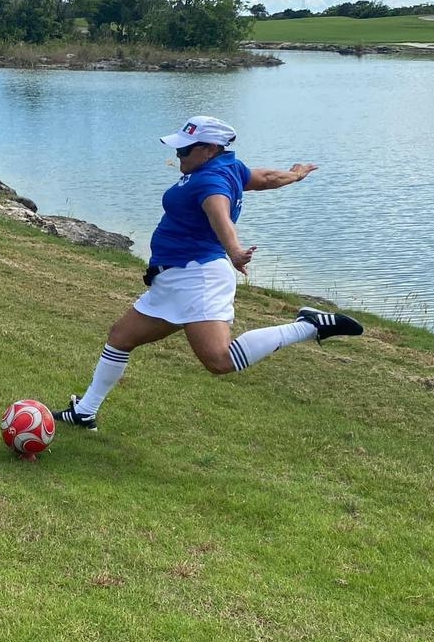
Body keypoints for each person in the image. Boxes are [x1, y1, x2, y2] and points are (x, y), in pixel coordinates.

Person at [53, 115, 364, 431]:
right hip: (173, 280)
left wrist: (234, 249)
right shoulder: (227, 168)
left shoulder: (210, 181)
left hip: (196, 279)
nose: (178, 156)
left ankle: (308, 326)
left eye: (185, 150)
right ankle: (85, 411)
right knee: (120, 338)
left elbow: (220, 214)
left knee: (219, 360)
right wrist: (295, 175)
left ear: (210, 148)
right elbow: (266, 177)